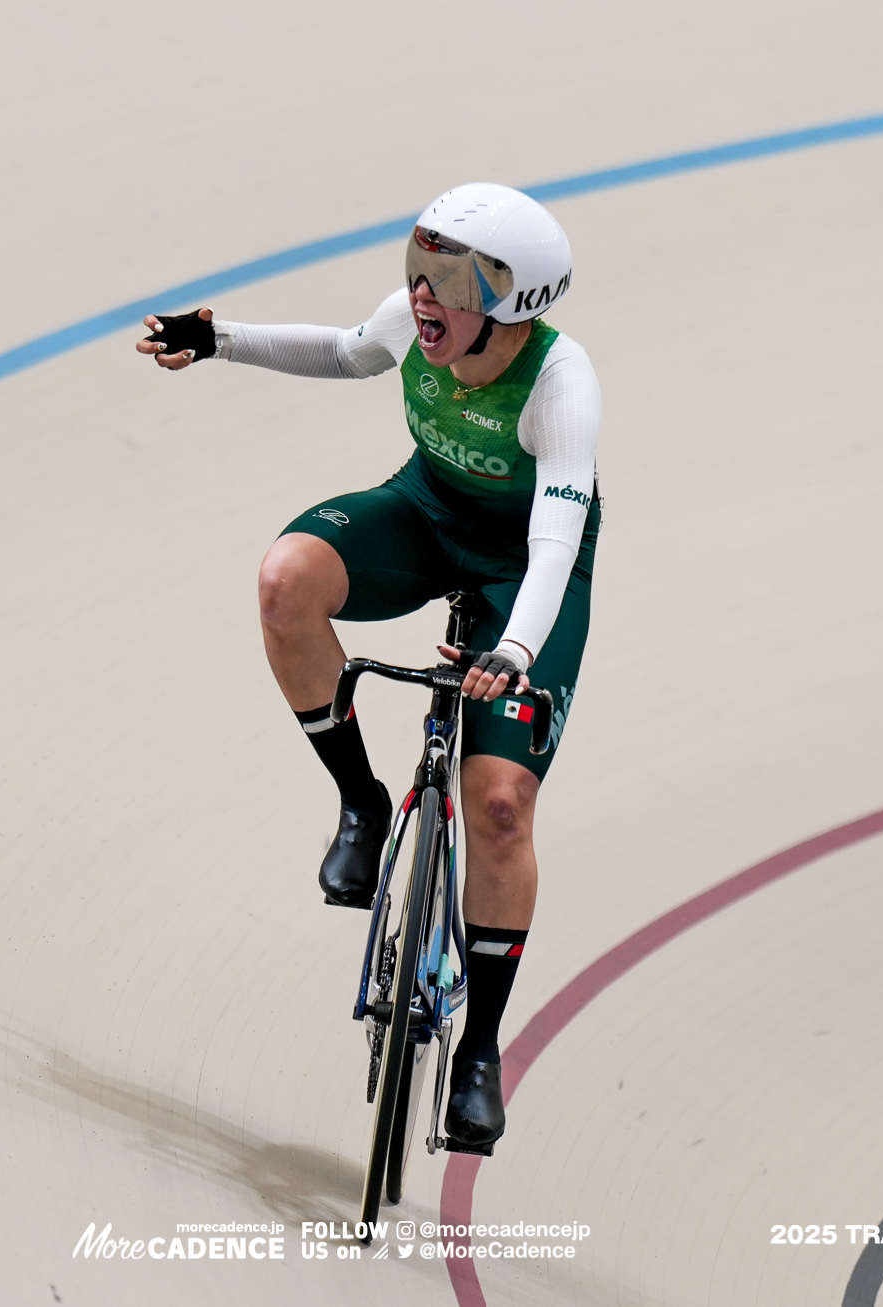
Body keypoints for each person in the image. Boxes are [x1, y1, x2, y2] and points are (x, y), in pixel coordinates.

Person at [135, 183, 601, 1153]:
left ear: (516, 301)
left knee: (499, 805)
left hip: (522, 571)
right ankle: (361, 801)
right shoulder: (417, 323)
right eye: (419, 266)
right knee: (285, 581)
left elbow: (554, 544)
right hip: (426, 517)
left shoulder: (561, 384)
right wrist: (219, 339)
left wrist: (513, 649)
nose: (424, 294)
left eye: (452, 280)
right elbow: (346, 350)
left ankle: (479, 1052)